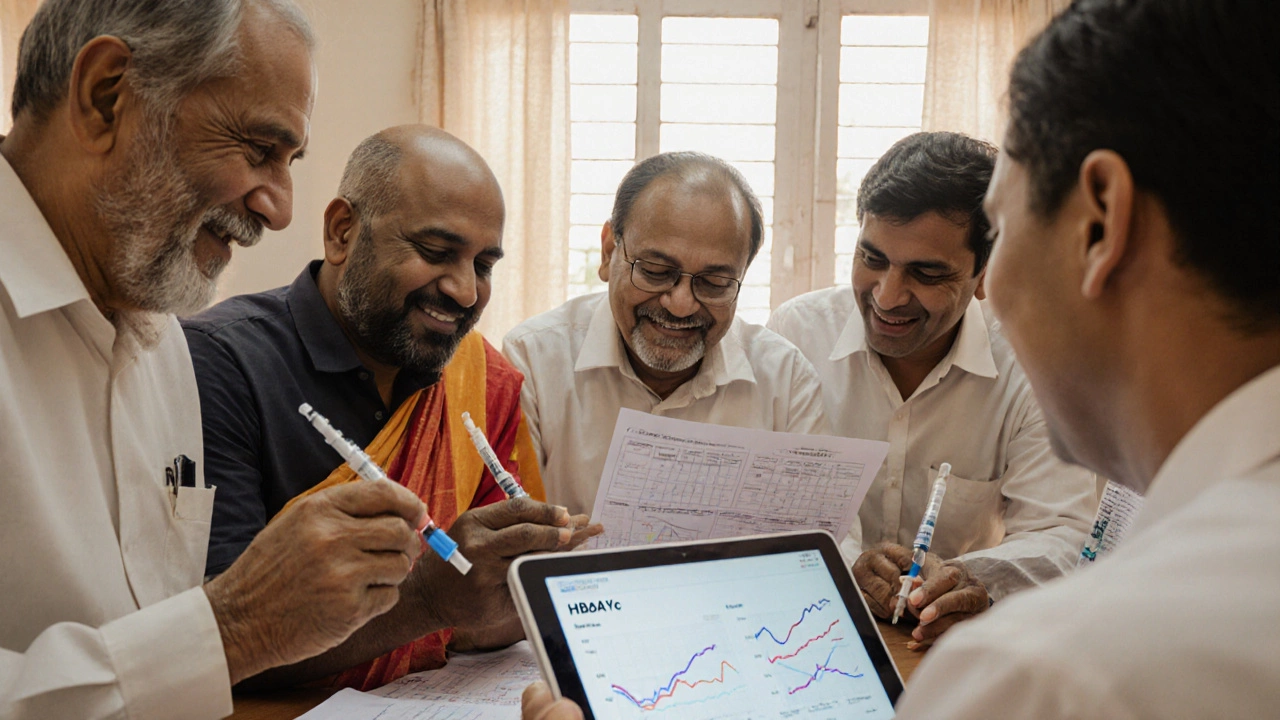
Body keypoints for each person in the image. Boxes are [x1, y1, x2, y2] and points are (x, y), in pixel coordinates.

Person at [524, 0, 1280, 717]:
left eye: (1009, 228)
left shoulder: (1046, 677)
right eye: (872, 258)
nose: (888, 296)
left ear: (1099, 224)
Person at [0, 2, 486, 718]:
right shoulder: (219, 350)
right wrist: (233, 628)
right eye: (259, 150)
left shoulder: (161, 335)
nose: (281, 208)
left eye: (290, 163)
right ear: (107, 95)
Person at [183, 125, 598, 690]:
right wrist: (426, 600)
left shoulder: (482, 377)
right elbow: (215, 637)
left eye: (483, 265)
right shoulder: (219, 363)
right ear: (342, 232)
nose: (465, 292)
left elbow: (495, 607)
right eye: (436, 252)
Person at [768, 132, 1096, 646]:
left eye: (925, 273)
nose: (887, 295)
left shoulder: (1033, 362)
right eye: (872, 258)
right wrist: (851, 559)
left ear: (984, 276)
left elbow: (1064, 533)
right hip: (812, 636)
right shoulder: (797, 335)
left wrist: (977, 580)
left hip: (958, 646)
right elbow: (772, 505)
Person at [503, 151, 828, 516]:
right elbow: (510, 537)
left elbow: (821, 537)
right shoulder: (530, 362)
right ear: (609, 252)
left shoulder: (785, 382)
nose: (681, 304)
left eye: (714, 283)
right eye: (655, 270)